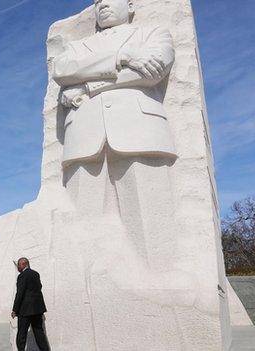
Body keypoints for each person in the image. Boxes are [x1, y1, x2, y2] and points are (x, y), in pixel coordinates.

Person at [52, 0, 177, 270]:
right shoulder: (76, 46)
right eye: (97, 1)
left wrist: (87, 86)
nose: (103, 4)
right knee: (80, 223)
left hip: (140, 129)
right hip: (84, 135)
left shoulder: (153, 34)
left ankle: (161, 279)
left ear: (131, 5)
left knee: (150, 221)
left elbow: (152, 73)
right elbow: (62, 70)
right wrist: (121, 58)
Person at [11, 257, 49, 351]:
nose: (18, 268)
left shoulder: (22, 276)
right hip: (37, 310)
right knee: (39, 334)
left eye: (18, 265)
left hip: (25, 310)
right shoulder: (36, 274)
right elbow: (39, 287)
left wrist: (15, 309)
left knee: (21, 336)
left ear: (23, 264)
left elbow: (20, 293)